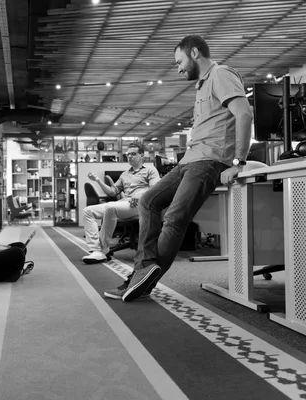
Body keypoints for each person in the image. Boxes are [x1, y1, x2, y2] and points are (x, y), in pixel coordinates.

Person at [104, 35, 253, 301]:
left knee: (175, 218)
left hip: (210, 160)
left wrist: (238, 162)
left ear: (194, 53)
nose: (178, 69)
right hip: (188, 161)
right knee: (147, 200)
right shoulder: (201, 86)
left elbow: (244, 113)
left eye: (179, 61)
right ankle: (144, 269)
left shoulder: (221, 74)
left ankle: (141, 281)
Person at [82, 142, 160, 264]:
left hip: (139, 205)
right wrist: (98, 181)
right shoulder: (125, 174)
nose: (129, 157)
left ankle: (101, 250)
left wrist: (140, 194)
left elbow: (155, 189)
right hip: (124, 203)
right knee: (88, 211)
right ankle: (96, 249)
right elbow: (112, 192)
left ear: (142, 156)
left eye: (133, 154)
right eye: (128, 154)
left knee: (111, 208)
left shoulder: (150, 170)